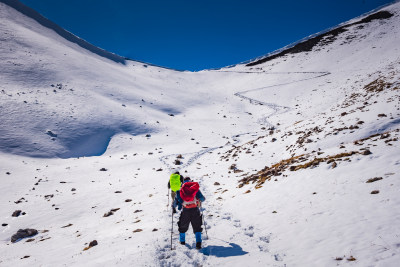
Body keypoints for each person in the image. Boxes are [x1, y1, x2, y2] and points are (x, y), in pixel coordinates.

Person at [174, 177, 206, 249]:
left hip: (185, 210)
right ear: (190, 181)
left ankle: (182, 241)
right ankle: (198, 243)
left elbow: (175, 203)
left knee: (183, 226)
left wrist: (174, 206)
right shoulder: (194, 188)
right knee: (197, 226)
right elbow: (202, 199)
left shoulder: (180, 190)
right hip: (195, 209)